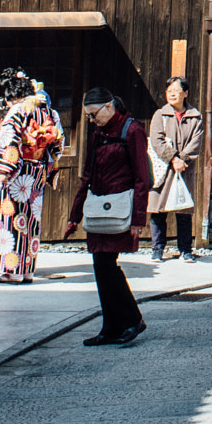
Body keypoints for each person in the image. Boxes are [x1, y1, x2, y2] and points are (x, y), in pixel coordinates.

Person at [65, 89, 151, 348]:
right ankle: (111, 326)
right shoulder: (97, 133)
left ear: (109, 107)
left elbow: (141, 178)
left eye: (94, 115)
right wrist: (75, 214)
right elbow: (87, 175)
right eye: (89, 116)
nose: (92, 120)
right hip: (98, 209)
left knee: (106, 265)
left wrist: (138, 218)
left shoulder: (132, 130)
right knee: (101, 266)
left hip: (120, 207)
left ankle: (132, 320)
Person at [0, 69, 64, 283]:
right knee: (31, 220)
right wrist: (48, 166)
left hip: (17, 170)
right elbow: (58, 143)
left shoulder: (17, 111)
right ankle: (27, 269)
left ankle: (10, 271)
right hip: (37, 170)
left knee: (10, 219)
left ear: (11, 96)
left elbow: (9, 139)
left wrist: (5, 169)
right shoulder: (49, 112)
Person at [147, 77, 204, 265]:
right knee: (158, 210)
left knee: (184, 209)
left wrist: (182, 160)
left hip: (184, 169)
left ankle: (186, 250)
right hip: (164, 168)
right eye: (169, 90)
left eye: (176, 90)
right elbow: (157, 140)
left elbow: (196, 142)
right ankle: (157, 249)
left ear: (185, 93)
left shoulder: (195, 117)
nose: (172, 93)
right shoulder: (160, 115)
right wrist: (173, 159)